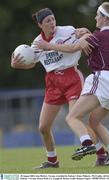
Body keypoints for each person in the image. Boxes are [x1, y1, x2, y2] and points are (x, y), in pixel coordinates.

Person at [35, 1, 109, 166]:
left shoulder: (98, 36)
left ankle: (87, 145)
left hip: (103, 79)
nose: (95, 17)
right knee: (94, 121)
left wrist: (49, 45)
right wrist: (83, 34)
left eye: (97, 15)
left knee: (72, 117)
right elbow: (85, 40)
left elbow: (74, 48)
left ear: (104, 18)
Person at [11, 8, 88, 169]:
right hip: (53, 82)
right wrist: (18, 65)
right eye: (47, 21)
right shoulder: (37, 42)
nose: (52, 23)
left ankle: (101, 153)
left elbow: (79, 43)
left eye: (53, 19)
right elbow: (32, 62)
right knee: (43, 127)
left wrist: (85, 32)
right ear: (40, 25)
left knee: (75, 118)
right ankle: (52, 161)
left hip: (71, 77)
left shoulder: (67, 31)